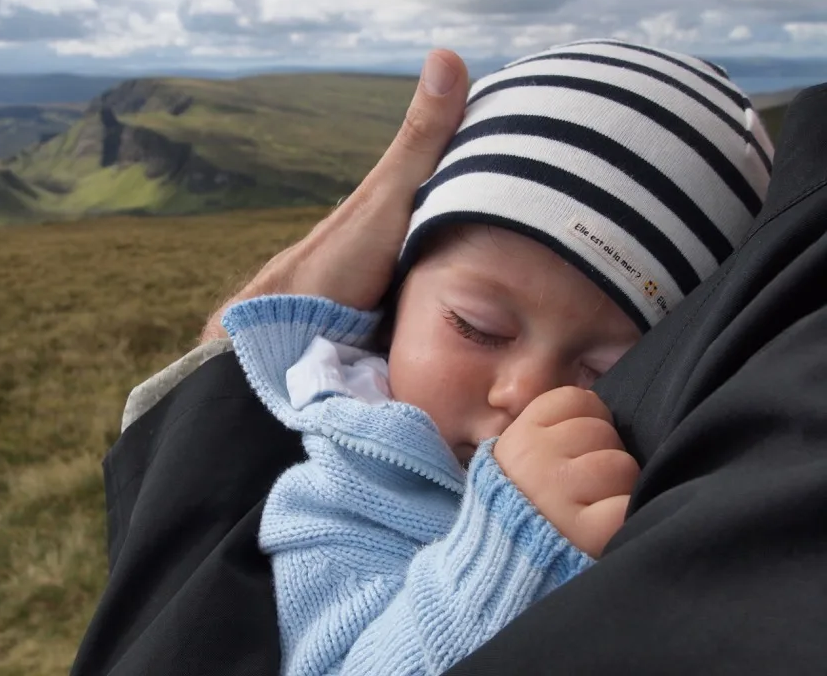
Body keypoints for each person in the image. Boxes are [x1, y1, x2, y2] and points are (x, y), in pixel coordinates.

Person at [70, 47, 827, 676]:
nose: (525, 392)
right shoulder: (344, 490)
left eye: (605, 369)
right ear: (394, 295)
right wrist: (507, 556)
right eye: (477, 327)